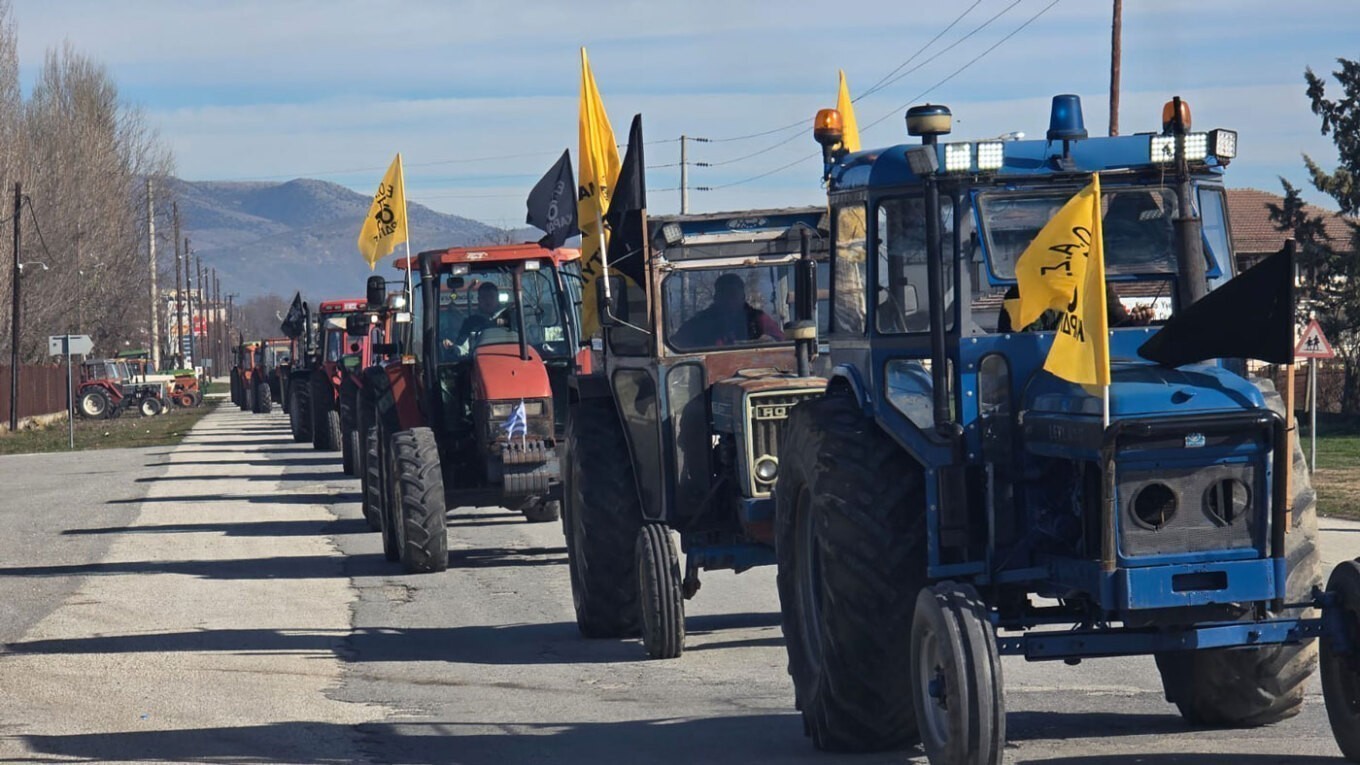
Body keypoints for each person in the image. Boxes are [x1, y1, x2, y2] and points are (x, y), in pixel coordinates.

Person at [672, 273, 785, 348]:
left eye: (733, 294)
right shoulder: (700, 322)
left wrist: (766, 342)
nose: (729, 300)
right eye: (724, 294)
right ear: (716, 297)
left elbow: (782, 344)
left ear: (743, 297)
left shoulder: (758, 319)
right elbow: (675, 345)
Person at [997, 282, 1153, 333]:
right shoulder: (1019, 294)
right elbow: (1011, 344)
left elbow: (1119, 324)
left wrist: (1136, 322)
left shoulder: (1096, 285)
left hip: (1087, 369)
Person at [443, 281, 504, 354]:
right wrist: (453, 348)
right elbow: (463, 348)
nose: (488, 300)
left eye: (491, 296)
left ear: (497, 298)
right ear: (479, 300)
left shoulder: (510, 317)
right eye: (484, 297)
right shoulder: (470, 323)